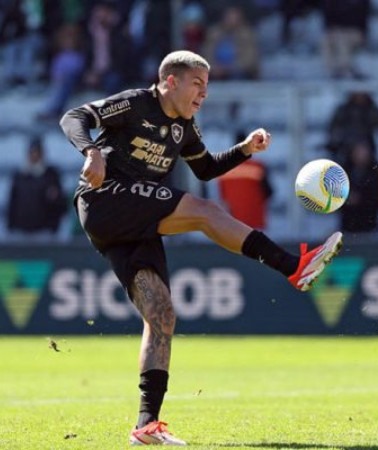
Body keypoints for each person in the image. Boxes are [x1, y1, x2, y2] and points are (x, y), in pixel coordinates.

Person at [59, 50, 342, 446]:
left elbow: (205, 168)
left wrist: (244, 149)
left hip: (134, 224)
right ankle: (292, 266)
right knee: (205, 211)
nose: (204, 94)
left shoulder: (183, 127)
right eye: (197, 84)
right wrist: (91, 152)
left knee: (161, 315)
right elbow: (74, 117)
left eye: (206, 87)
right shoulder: (136, 103)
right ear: (170, 81)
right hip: (105, 200)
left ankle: (146, 425)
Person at [7, 137, 67, 237]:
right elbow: (13, 202)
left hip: (45, 232)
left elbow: (61, 204)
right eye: (32, 152)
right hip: (21, 231)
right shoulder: (19, 175)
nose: (34, 155)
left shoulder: (51, 175)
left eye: (37, 152)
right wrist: (11, 226)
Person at [217, 133, 273, 230]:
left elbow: (222, 196)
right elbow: (269, 192)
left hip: (233, 223)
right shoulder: (258, 167)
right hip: (255, 222)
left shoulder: (224, 169)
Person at [340, 140, 378, 233]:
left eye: (363, 152)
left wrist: (361, 199)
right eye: (358, 152)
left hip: (369, 223)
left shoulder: (374, 174)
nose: (361, 156)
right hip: (348, 223)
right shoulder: (345, 173)